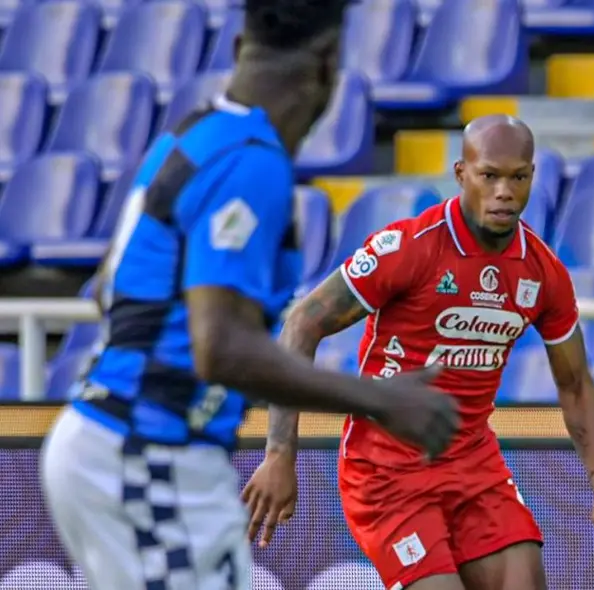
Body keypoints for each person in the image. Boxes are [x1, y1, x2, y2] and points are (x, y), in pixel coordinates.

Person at [39, 2, 459, 589]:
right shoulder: (251, 165)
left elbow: (108, 286)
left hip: (131, 445)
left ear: (239, 48)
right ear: (328, 63)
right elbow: (221, 347)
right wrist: (380, 400)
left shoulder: (192, 135)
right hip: (147, 452)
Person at [242, 115, 594, 589]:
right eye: (489, 175)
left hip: (474, 466)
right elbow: (302, 323)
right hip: (386, 472)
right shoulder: (409, 248)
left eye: (517, 177)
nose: (504, 191)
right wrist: (279, 454)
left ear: (532, 178)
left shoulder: (543, 273)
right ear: (461, 175)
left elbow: (576, 384)